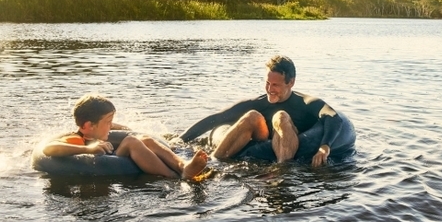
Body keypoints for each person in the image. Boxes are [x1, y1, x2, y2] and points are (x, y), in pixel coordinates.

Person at [180, 55, 354, 167]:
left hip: (290, 144)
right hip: (262, 140)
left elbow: (333, 117)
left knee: (281, 116)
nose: (270, 89)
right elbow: (217, 118)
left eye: (276, 85)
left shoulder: (306, 103)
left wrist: (324, 147)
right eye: (267, 83)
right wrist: (180, 140)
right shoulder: (259, 103)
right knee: (252, 116)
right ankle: (213, 162)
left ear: (291, 82)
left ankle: (281, 170)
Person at [43, 94, 209, 180]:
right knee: (131, 141)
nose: (111, 125)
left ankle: (182, 165)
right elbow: (48, 149)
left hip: (112, 157)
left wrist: (117, 126)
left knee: (145, 139)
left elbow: (111, 129)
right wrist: (87, 148)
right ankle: (173, 177)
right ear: (87, 126)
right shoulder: (75, 139)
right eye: (108, 122)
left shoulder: (93, 130)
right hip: (103, 164)